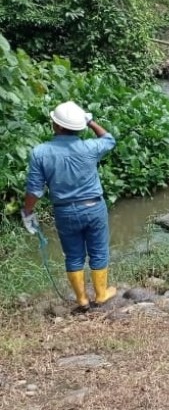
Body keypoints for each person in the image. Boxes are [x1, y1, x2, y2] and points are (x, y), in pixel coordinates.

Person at [22, 101, 118, 312]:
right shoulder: (90, 147)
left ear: (55, 126)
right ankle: (101, 294)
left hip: (64, 211)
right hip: (94, 207)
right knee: (99, 251)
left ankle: (82, 300)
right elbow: (109, 139)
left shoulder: (40, 152)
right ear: (80, 127)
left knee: (74, 255)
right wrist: (91, 121)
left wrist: (27, 211)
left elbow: (34, 191)